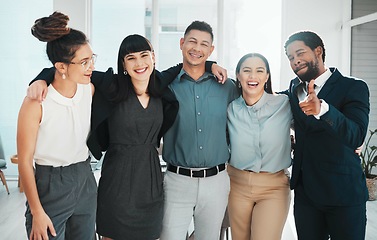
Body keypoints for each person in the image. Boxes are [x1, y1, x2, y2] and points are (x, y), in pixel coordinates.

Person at [27, 37, 227, 240]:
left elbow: (182, 66)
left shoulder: (159, 84)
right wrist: (41, 79)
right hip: (116, 184)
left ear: (153, 58)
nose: (139, 63)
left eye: (144, 56)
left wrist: (210, 64)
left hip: (150, 184)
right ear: (123, 64)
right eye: (131, 58)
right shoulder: (111, 85)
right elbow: (70, 71)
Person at [17, 12, 97, 240]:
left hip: (85, 178)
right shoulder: (36, 103)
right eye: (84, 62)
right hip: (50, 183)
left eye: (92, 59)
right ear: (61, 66)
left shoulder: (89, 89)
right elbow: (24, 160)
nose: (90, 66)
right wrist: (37, 211)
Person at [283, 31, 370, 240]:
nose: (295, 61)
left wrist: (323, 109)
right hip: (306, 196)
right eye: (290, 57)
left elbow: (356, 135)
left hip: (343, 195)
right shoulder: (294, 88)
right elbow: (262, 95)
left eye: (300, 53)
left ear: (318, 51)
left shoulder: (353, 87)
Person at [159, 21, 239, 240]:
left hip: (217, 180)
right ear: (182, 43)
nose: (197, 48)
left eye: (204, 44)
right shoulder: (166, 86)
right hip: (177, 180)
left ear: (211, 50)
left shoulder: (227, 86)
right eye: (192, 41)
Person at [227, 53, 292, 240]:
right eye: (246, 71)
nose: (252, 76)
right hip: (236, 185)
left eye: (259, 71)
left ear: (267, 76)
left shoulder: (283, 104)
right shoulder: (230, 108)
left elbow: (310, 128)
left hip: (274, 187)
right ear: (238, 76)